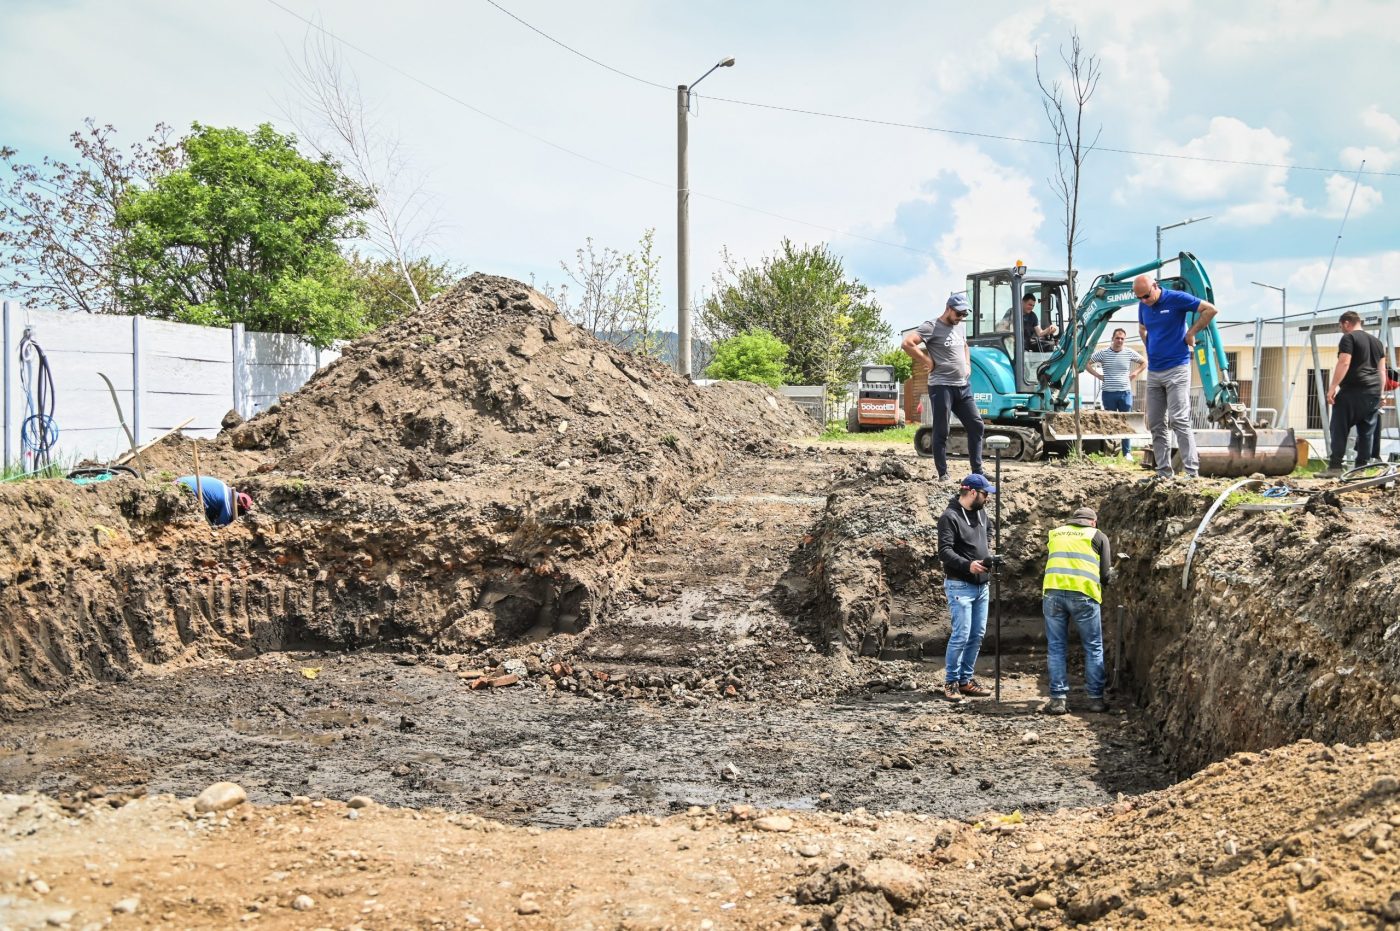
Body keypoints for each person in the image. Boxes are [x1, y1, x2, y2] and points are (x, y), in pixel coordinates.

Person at [1134, 274, 1217, 479]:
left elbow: (1210, 310)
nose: (1144, 300)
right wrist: (1149, 347)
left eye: (1146, 295)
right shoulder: (1143, 305)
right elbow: (1142, 328)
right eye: (1140, 298)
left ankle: (1191, 472)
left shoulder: (1176, 298)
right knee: (1155, 422)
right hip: (1154, 371)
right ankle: (1163, 472)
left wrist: (1191, 333)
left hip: (1177, 369)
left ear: (1155, 286)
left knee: (1179, 419)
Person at [902, 293, 986, 481]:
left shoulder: (960, 327)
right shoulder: (931, 326)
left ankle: (978, 472)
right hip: (941, 386)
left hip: (962, 386)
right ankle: (943, 474)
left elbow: (965, 346)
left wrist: (967, 364)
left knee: (976, 425)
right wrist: (926, 360)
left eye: (964, 315)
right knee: (942, 430)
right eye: (958, 314)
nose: (961, 318)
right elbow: (907, 343)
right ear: (948, 308)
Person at [1041, 506, 1112, 716]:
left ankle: (1058, 701)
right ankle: (1096, 700)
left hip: (1053, 593)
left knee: (1055, 647)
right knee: (1093, 646)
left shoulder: (1055, 534)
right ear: (1093, 522)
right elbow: (1105, 575)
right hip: (1083, 595)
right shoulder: (1098, 535)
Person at [936, 474, 996, 703]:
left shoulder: (981, 513)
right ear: (972, 492)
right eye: (985, 493)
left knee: (977, 634)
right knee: (961, 635)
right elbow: (945, 552)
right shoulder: (949, 517)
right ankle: (951, 682)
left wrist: (986, 550)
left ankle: (965, 680)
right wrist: (968, 565)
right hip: (960, 584)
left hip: (982, 586)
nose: (988, 497)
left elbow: (988, 529)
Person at [1320, 311, 1387, 477]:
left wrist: (1332, 387)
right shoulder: (1378, 342)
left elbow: (1344, 362)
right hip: (1372, 391)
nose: (1341, 329)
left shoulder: (1349, 338)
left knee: (1339, 427)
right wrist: (1381, 394)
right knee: (1366, 431)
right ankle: (1360, 469)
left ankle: (1335, 467)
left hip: (1353, 389)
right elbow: (1382, 370)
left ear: (1346, 323)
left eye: (1341, 326)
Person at [1087, 328, 1147, 456]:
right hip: (1109, 392)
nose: (1119, 341)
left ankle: (1127, 452)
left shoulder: (1129, 352)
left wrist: (1135, 373)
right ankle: (1110, 452)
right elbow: (1086, 363)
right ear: (1112, 339)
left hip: (1125, 392)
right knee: (1109, 421)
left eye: (1122, 339)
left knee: (1126, 422)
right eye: (1117, 338)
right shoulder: (1103, 353)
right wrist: (1098, 375)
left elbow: (1144, 362)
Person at [176, 475, 254, 527]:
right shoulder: (227, 501)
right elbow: (222, 526)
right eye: (241, 512)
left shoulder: (224, 489)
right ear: (238, 505)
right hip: (184, 488)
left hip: (180, 482)